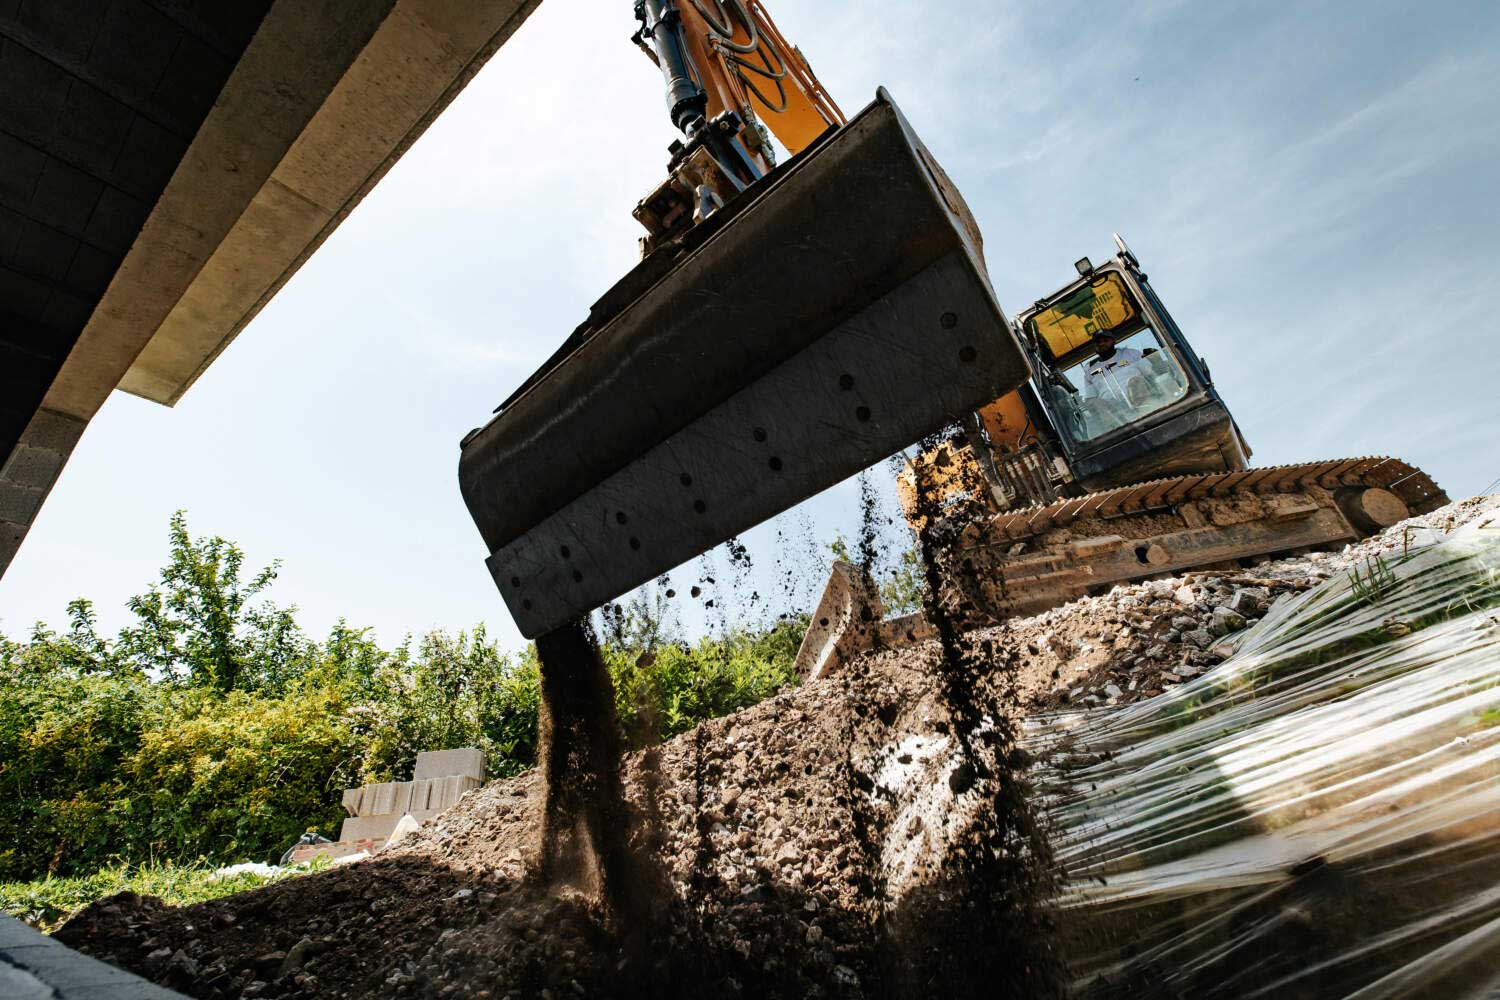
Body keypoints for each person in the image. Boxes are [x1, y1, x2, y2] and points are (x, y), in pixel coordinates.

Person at [1081, 331, 1145, 401]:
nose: (1102, 344)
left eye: (1105, 340)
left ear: (1113, 341)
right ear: (1094, 347)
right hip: (1115, 410)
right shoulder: (1089, 372)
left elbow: (1150, 373)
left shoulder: (1130, 353)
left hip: (1144, 399)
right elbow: (1091, 398)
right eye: (1098, 342)